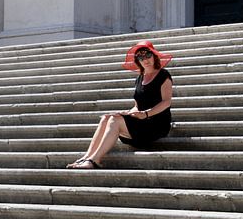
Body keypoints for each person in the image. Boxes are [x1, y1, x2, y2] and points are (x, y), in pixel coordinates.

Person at [67, 40, 174, 169]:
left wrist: (146, 114)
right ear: (137, 61)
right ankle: (87, 157)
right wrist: (128, 113)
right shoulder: (140, 78)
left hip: (156, 125)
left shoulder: (163, 75)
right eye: (141, 57)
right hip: (141, 122)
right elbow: (137, 106)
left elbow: (166, 102)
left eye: (148, 55)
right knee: (106, 118)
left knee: (115, 121)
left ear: (154, 56)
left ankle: (94, 161)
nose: (145, 59)